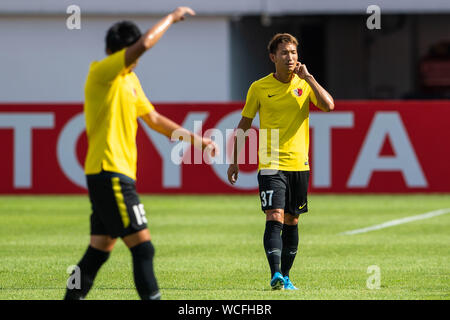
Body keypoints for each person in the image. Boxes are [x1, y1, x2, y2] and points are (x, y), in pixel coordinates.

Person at [64, 7, 217, 300]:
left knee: (98, 250)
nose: (135, 60)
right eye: (129, 54)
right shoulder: (102, 71)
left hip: (113, 174)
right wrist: (171, 18)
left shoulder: (130, 81)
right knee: (144, 248)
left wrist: (197, 140)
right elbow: (144, 44)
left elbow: (155, 120)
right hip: (109, 172)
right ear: (115, 51)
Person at [227, 33, 334, 290]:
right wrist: (234, 160)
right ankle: (275, 274)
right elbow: (244, 124)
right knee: (273, 215)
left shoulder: (304, 84)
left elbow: (329, 106)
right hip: (271, 164)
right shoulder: (259, 87)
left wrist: (309, 77)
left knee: (292, 220)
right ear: (273, 57)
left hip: (299, 164)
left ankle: (286, 277)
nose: (290, 57)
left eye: (294, 53)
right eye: (285, 53)